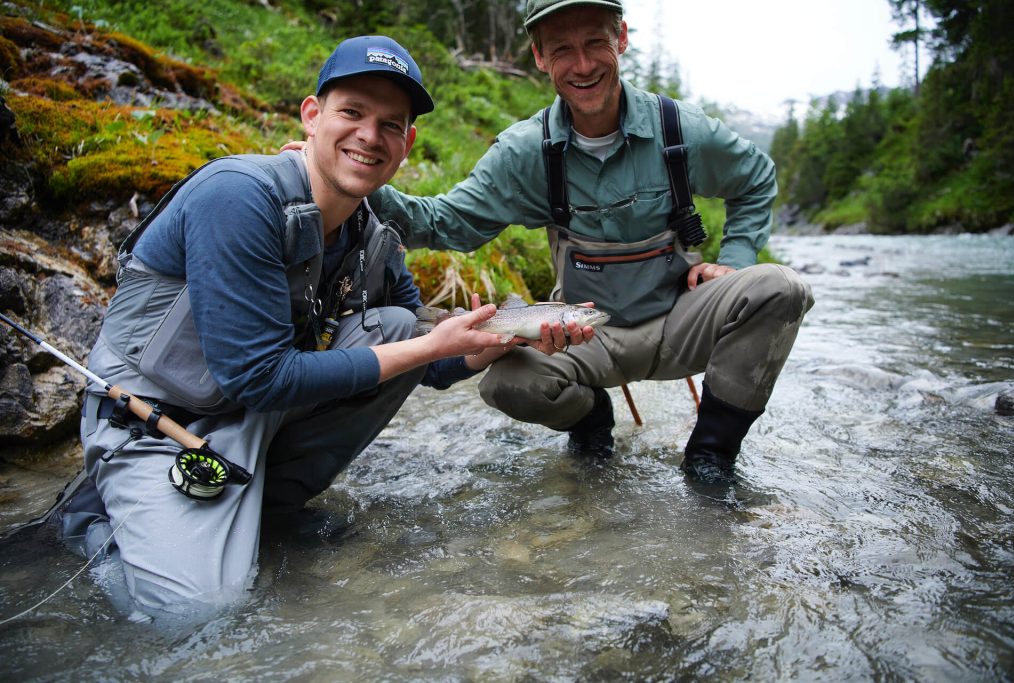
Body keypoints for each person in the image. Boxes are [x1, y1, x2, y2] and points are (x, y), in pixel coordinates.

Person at [57, 35, 537, 617]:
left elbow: (424, 361)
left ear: (407, 143)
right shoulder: (237, 196)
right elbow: (256, 376)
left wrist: (482, 347)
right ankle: (97, 517)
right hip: (153, 420)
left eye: (390, 125)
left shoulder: (374, 231)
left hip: (253, 414)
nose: (369, 136)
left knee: (399, 324)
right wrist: (427, 347)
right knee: (192, 615)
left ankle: (268, 506)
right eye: (352, 113)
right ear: (312, 117)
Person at [364, 0, 815, 481]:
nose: (582, 65)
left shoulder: (680, 130)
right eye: (562, 49)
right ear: (539, 56)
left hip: (682, 318)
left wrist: (737, 257)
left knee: (780, 287)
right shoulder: (524, 152)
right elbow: (447, 221)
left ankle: (711, 459)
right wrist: (359, 185)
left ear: (621, 39)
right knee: (508, 384)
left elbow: (756, 177)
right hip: (583, 332)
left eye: (596, 43)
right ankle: (592, 421)